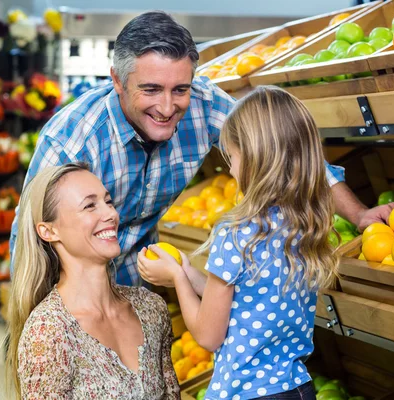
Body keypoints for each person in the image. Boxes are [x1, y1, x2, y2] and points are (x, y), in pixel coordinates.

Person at [9, 10, 394, 286]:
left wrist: (360, 215)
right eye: (150, 90)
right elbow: (28, 238)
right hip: (69, 285)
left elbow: (287, 154)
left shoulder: (204, 104)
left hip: (138, 278)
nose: (166, 107)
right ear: (117, 81)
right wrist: (44, 325)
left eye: (179, 89)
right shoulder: (74, 138)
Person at [138, 86, 339, 400]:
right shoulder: (304, 224)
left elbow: (207, 335)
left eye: (231, 157)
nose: (230, 169)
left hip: (245, 393)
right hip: (296, 389)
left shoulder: (236, 233)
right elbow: (245, 299)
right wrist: (188, 272)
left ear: (256, 157)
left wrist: (177, 280)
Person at [5, 163, 179, 399]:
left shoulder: (150, 308)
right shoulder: (49, 332)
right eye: (89, 206)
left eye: (108, 202)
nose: (111, 214)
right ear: (49, 231)